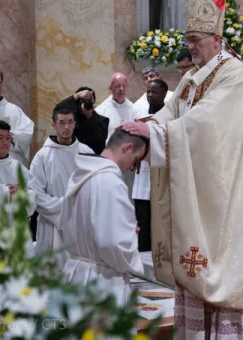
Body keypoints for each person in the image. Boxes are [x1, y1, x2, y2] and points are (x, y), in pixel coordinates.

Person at [123, 0, 243, 339]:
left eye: (196, 39)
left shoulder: (233, 73)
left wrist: (159, 135)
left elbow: (206, 122)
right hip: (200, 194)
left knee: (222, 269)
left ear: (217, 40)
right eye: (188, 38)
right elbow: (172, 113)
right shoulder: (192, 78)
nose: (189, 45)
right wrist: (145, 129)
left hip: (225, 197)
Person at [60, 128, 147, 306]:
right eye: (136, 160)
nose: (132, 167)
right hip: (102, 282)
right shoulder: (110, 182)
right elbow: (111, 242)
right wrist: (128, 234)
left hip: (75, 273)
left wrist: (123, 227)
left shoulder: (80, 174)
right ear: (127, 148)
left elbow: (65, 223)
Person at [30, 107, 94, 269]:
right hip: (53, 226)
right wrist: (65, 208)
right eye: (62, 123)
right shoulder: (42, 157)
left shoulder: (86, 152)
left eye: (70, 122)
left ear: (75, 124)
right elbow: (35, 193)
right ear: (53, 124)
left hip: (81, 223)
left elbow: (96, 187)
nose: (66, 127)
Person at [133, 79, 168, 252]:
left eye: (155, 92)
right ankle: (143, 252)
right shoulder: (139, 113)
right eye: (148, 91)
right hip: (142, 174)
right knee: (143, 217)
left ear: (164, 94)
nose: (150, 95)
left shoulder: (169, 116)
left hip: (160, 173)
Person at [55, 86, 109, 154]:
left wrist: (89, 116)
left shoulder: (103, 121)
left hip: (94, 161)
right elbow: (57, 110)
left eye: (87, 101)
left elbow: (98, 145)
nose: (84, 104)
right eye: (81, 101)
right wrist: (76, 96)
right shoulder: (71, 121)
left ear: (93, 102)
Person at [95, 73, 136, 140]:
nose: (121, 89)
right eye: (117, 86)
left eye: (124, 86)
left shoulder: (134, 108)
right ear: (110, 88)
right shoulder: (101, 111)